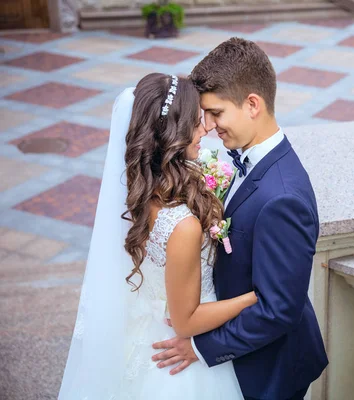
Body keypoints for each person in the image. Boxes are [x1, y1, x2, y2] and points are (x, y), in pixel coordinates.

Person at [151, 38, 329, 400]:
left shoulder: (283, 198)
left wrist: (201, 348)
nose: (210, 126)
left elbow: (277, 311)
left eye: (216, 113)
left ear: (252, 104)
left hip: (269, 370)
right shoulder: (244, 160)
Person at [58, 73, 253, 399]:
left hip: (146, 330)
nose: (205, 128)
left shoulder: (143, 191)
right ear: (172, 133)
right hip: (180, 361)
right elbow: (186, 322)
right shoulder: (183, 225)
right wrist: (254, 297)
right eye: (195, 121)